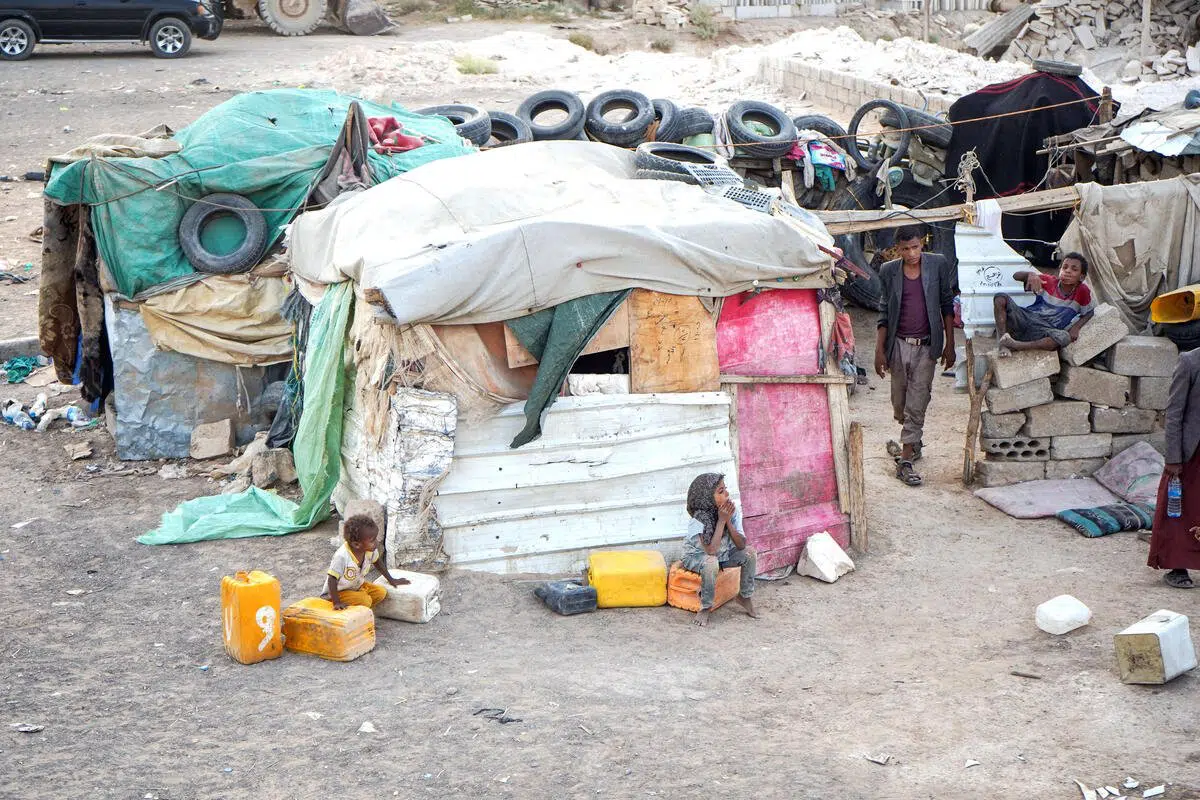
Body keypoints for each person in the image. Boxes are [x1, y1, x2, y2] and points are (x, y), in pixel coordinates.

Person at [874, 225, 956, 487]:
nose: (912, 254)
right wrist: (879, 350)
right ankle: (914, 441)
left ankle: (906, 460)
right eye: (906, 249)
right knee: (899, 402)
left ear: (923, 244)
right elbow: (885, 309)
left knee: (917, 402)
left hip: (927, 345)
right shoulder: (889, 271)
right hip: (898, 344)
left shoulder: (937, 264)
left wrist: (950, 343)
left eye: (916, 247)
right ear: (897, 250)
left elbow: (946, 303)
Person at [1147, 346, 1200, 588]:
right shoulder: (1190, 362)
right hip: (1191, 453)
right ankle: (1178, 568)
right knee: (1180, 510)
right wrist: (1173, 458)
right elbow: (1175, 413)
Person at [680, 473, 758, 627]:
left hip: (721, 555)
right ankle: (706, 607)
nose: (727, 494)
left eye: (725, 489)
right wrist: (721, 521)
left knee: (750, 553)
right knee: (711, 562)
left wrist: (728, 521)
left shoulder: (730, 511)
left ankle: (745, 596)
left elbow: (741, 545)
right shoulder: (699, 518)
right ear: (707, 497)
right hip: (696, 556)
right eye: (721, 491)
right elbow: (711, 550)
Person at [993, 252, 1094, 355]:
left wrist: (1076, 327)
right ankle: (1003, 344)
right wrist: (1031, 275)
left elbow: (1089, 312)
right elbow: (1016, 276)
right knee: (1000, 297)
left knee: (1064, 337)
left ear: (1081, 277)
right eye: (1065, 267)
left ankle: (1015, 345)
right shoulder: (1048, 281)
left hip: (1045, 329)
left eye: (1074, 269)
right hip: (1027, 318)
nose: (1068, 271)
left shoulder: (1082, 291)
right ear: (1060, 270)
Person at [324, 515, 409, 610]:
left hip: (356, 586)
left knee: (381, 593)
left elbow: (378, 562)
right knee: (365, 601)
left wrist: (391, 580)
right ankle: (352, 610)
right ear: (356, 544)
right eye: (372, 541)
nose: (376, 543)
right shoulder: (342, 556)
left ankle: (360, 608)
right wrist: (336, 602)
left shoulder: (369, 550)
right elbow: (332, 579)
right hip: (338, 593)